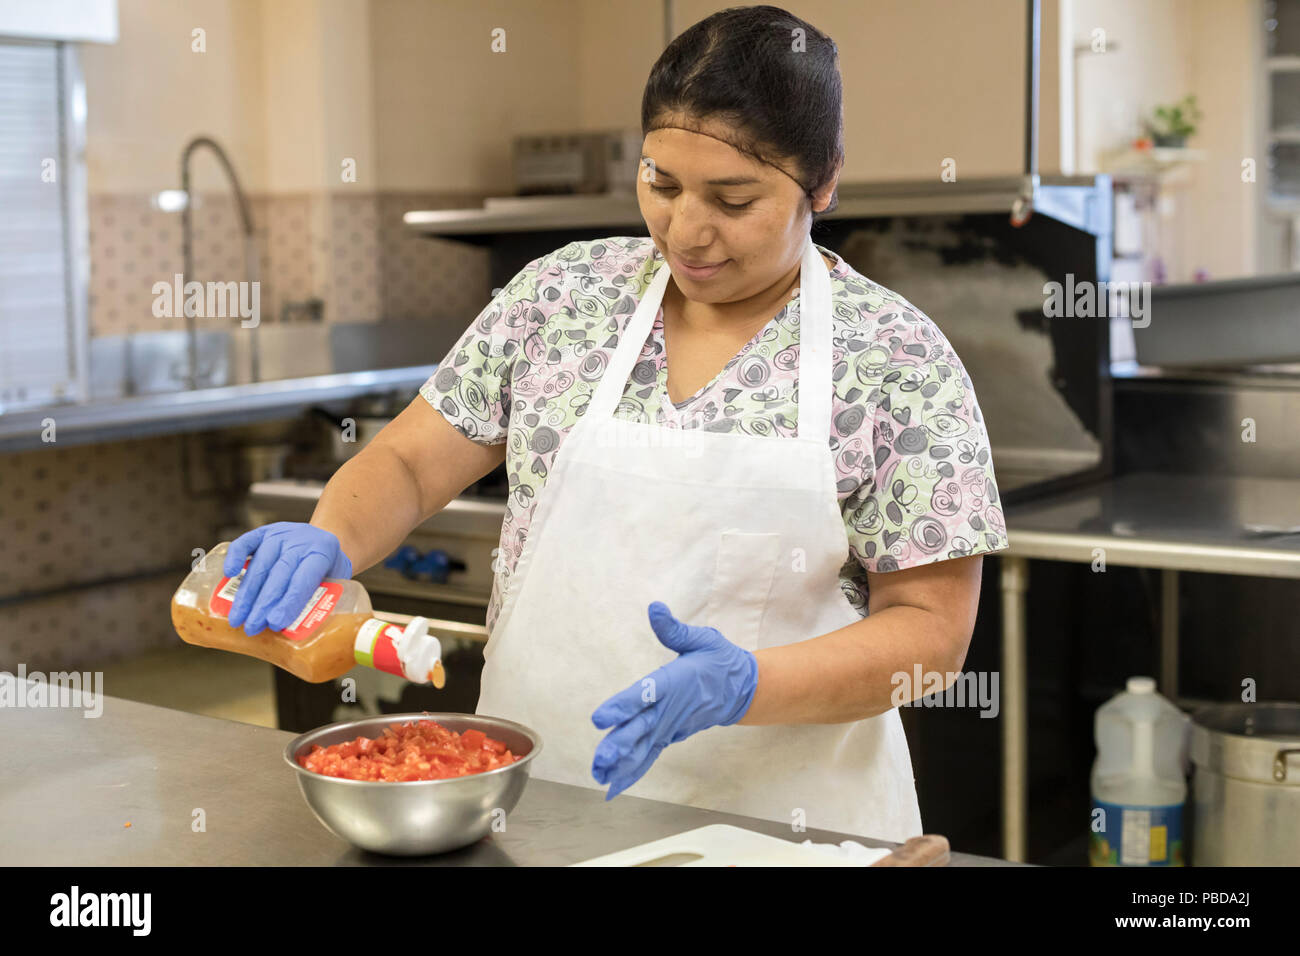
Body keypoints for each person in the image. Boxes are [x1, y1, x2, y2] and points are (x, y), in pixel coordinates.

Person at [222, 5, 1008, 841]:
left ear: (824, 182)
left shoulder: (897, 358)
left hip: (786, 831)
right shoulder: (561, 298)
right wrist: (334, 536)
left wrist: (746, 684)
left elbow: (930, 636)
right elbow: (413, 462)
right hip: (540, 804)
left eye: (733, 199)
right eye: (661, 184)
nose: (688, 230)